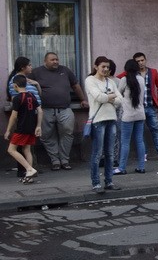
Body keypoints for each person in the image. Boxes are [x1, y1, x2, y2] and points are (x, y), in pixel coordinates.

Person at [32, 52, 88, 171]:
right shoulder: (36, 72)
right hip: (45, 110)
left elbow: (76, 86)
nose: (56, 62)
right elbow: (24, 84)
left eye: (57, 59)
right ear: (45, 61)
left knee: (67, 133)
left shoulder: (65, 70)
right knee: (46, 135)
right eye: (52, 60)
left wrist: (82, 99)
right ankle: (55, 161)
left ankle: (64, 160)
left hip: (65, 108)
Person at [122, 52, 158, 161]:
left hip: (150, 106)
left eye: (142, 60)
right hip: (137, 108)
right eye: (138, 61)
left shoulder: (153, 72)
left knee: (155, 129)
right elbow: (117, 79)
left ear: (145, 60)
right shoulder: (130, 74)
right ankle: (143, 154)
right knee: (140, 132)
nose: (140, 63)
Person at [83, 57, 123, 194]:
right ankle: (96, 183)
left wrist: (108, 97)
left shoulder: (111, 81)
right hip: (98, 120)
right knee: (97, 153)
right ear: (96, 67)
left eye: (107, 67)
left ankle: (109, 182)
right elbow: (98, 97)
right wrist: (111, 97)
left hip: (111, 118)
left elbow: (120, 100)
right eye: (103, 67)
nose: (105, 69)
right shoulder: (90, 80)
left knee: (110, 154)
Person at [5, 74, 42, 184]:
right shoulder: (31, 95)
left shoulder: (17, 98)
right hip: (31, 127)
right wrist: (38, 126)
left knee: (11, 150)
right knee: (27, 150)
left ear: (15, 86)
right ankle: (29, 176)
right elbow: (40, 111)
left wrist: (8, 130)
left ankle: (29, 169)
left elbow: (14, 116)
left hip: (21, 128)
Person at [115, 59, 147, 175]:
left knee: (125, 142)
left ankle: (122, 168)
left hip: (127, 115)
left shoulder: (124, 79)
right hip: (140, 114)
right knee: (139, 141)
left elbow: (118, 95)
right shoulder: (141, 79)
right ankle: (141, 167)